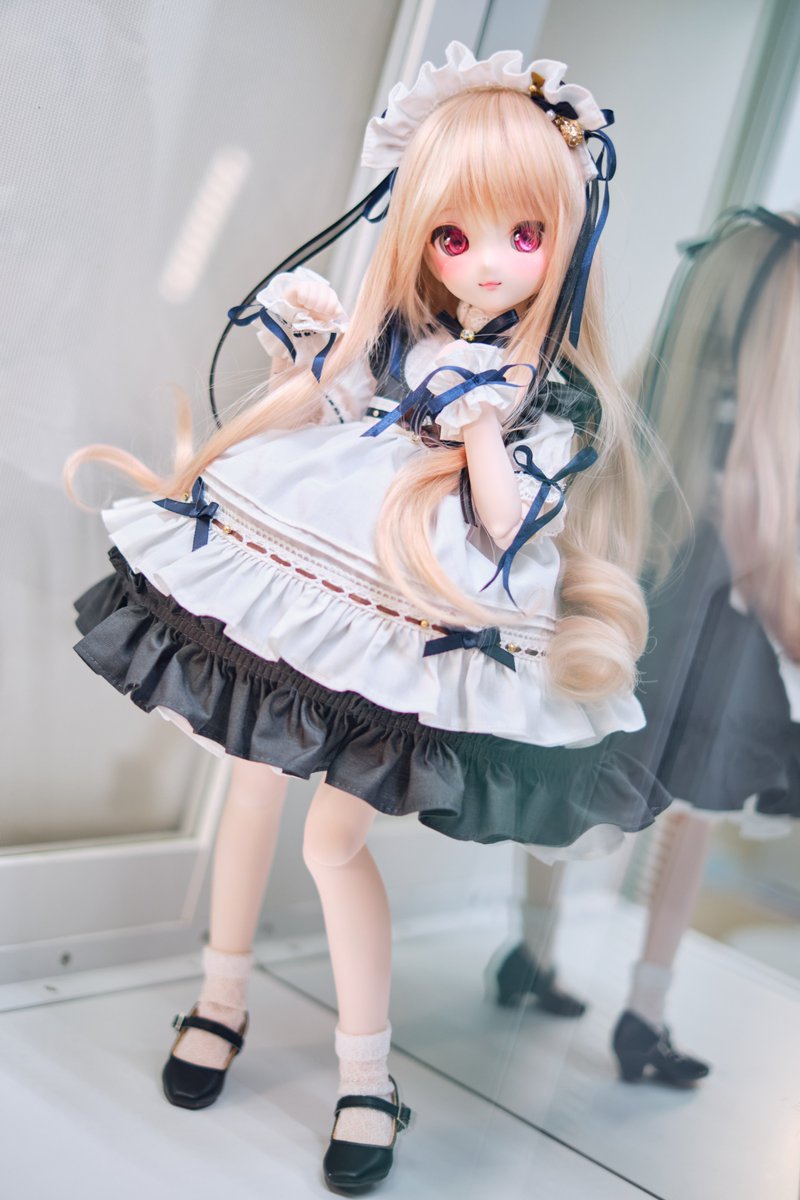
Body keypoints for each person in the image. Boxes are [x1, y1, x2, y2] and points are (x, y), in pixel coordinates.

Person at [67, 43, 668, 1191]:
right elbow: (321, 413)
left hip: (413, 617)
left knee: (329, 838)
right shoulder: (400, 345)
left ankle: (363, 1071)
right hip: (313, 572)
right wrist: (307, 354)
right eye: (452, 235)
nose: (484, 263)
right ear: (419, 238)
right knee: (247, 783)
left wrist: (481, 425)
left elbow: (507, 528)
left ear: (562, 243)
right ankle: (220, 995)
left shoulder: (543, 401)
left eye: (522, 236)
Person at [610, 207, 800, 1086]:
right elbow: (772, 574)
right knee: (689, 809)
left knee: (580, 781)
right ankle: (644, 1009)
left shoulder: (662, 408)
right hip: (707, 647)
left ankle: (537, 953)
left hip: (649, 627)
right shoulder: (753, 443)